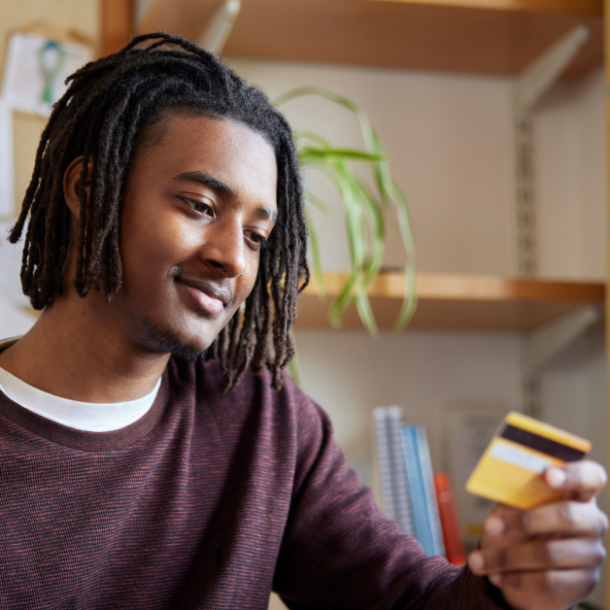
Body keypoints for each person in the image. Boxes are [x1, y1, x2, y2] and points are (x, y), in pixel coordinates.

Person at [0, 33, 605, 610]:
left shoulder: (261, 420)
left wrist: (512, 590)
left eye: (257, 235)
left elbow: (411, 600)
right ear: (88, 187)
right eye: (199, 206)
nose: (232, 258)